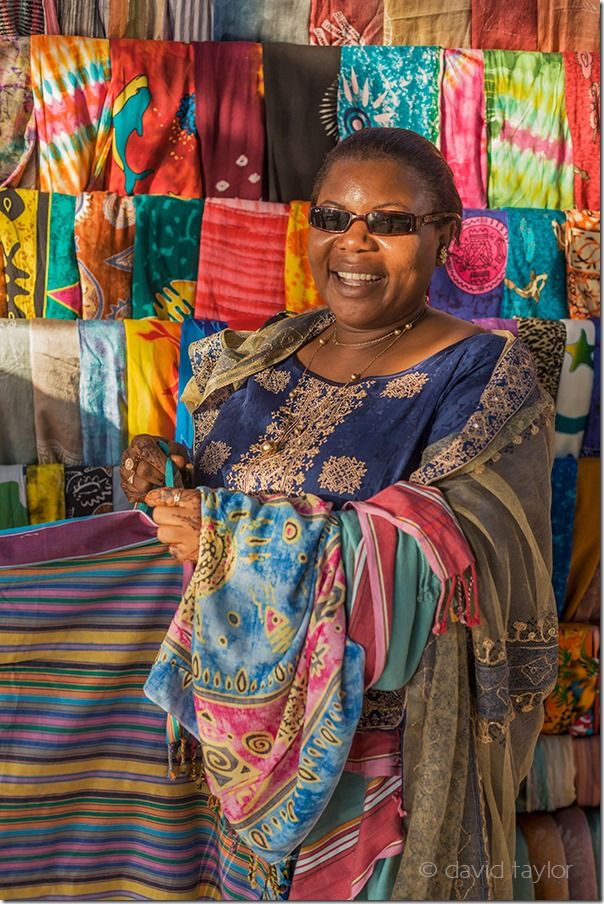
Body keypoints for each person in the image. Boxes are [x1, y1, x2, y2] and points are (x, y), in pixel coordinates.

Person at [121, 128, 558, 900]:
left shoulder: (484, 372)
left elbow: (446, 557)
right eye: (333, 217)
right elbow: (225, 486)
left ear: (443, 235)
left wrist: (225, 537)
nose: (354, 242)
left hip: (378, 766)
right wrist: (170, 477)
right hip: (239, 739)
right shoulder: (269, 350)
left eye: (389, 222)